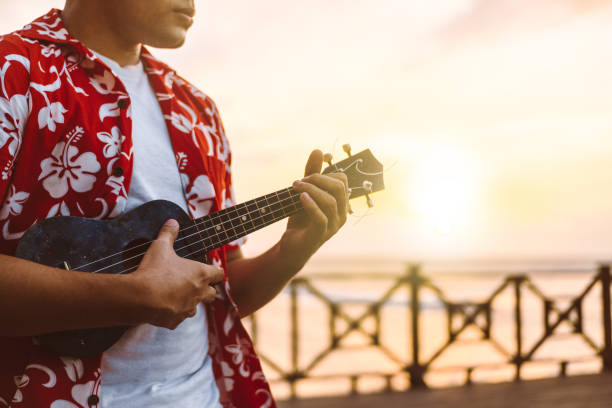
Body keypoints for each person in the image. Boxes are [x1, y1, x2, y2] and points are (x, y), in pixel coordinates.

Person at [0, 1, 349, 407]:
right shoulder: (13, 74)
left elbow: (220, 288)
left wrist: (295, 249)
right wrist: (127, 296)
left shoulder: (197, 110)